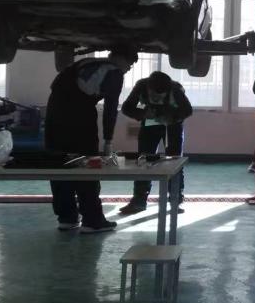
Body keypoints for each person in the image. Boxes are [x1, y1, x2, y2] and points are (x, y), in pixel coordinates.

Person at [45, 46, 137, 234]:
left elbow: (56, 84)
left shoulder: (86, 62)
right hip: (79, 117)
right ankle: (92, 220)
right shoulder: (114, 73)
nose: (128, 69)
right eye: (129, 64)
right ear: (119, 58)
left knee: (59, 165)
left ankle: (67, 218)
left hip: (53, 115)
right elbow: (110, 109)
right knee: (87, 166)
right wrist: (108, 140)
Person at [118, 71, 192, 215]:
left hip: (172, 126)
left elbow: (187, 110)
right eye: (154, 95)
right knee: (143, 160)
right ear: (149, 88)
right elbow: (126, 108)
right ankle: (139, 201)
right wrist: (142, 114)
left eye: (161, 96)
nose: (157, 98)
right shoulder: (141, 86)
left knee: (175, 162)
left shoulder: (176, 89)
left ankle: (175, 201)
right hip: (149, 124)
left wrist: (172, 118)